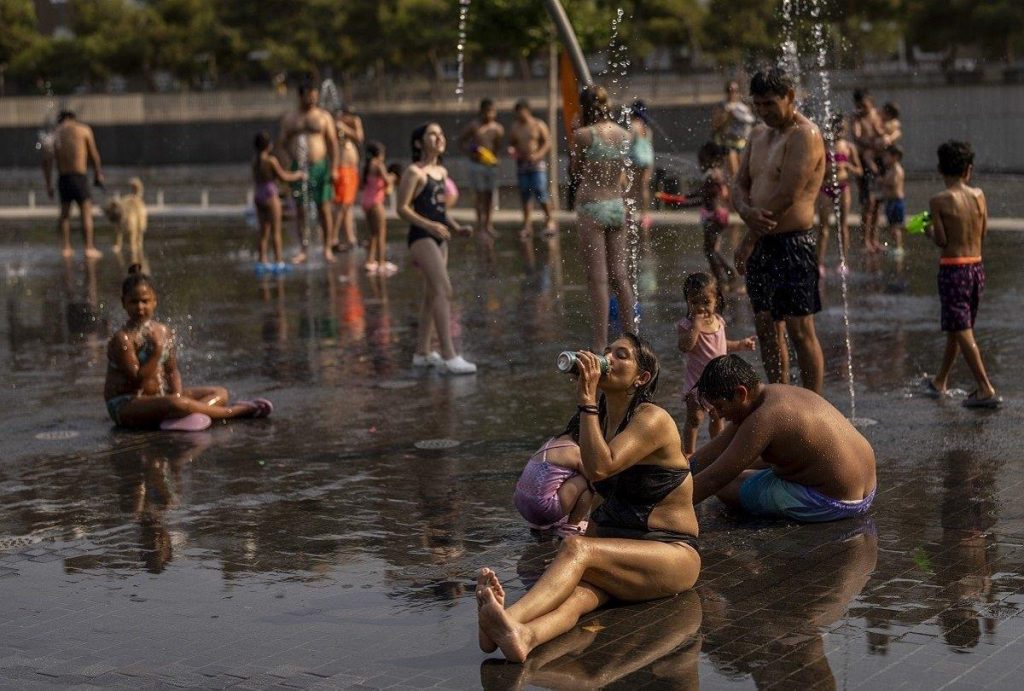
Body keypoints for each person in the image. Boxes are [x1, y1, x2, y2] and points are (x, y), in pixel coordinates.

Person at [476, 334, 701, 662]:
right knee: (578, 597)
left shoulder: (653, 419)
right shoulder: (600, 421)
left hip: (672, 553)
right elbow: (601, 496)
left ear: (642, 378)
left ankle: (506, 617)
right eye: (607, 351)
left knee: (576, 549)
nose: (608, 357)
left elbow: (601, 469)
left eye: (621, 355)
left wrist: (587, 399)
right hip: (621, 550)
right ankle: (522, 636)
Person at [689, 355, 876, 522]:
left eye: (720, 407)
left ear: (741, 393)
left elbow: (715, 479)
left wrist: (666, 507)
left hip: (831, 502)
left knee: (725, 485)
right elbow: (715, 450)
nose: (719, 416)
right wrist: (674, 471)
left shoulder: (764, 418)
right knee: (738, 462)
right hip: (866, 489)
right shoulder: (771, 395)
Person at [732, 68, 826, 393]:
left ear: (790, 97)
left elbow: (788, 193)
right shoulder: (758, 135)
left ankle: (815, 406)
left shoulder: (805, 135)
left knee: (800, 329)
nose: (764, 111)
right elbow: (739, 183)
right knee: (767, 327)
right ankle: (781, 398)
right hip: (762, 243)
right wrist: (745, 211)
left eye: (770, 104)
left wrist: (748, 238)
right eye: (758, 105)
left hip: (793, 243)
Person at [104, 265, 273, 429]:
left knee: (220, 393)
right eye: (134, 302)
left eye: (145, 301)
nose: (140, 307)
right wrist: (156, 351)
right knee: (177, 403)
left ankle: (181, 413)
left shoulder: (163, 331)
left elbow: (171, 371)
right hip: (126, 405)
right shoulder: (123, 339)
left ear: (155, 301)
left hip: (159, 399)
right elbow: (137, 383)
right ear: (123, 303)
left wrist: (175, 394)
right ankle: (234, 412)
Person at [397, 122, 477, 375]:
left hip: (439, 236)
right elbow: (402, 208)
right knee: (444, 290)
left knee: (432, 294)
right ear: (419, 143)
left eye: (441, 133)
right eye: (432, 134)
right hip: (421, 237)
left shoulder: (441, 172)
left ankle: (421, 352)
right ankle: (449, 355)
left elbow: (440, 211)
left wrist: (455, 226)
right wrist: (429, 225)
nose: (439, 137)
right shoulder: (414, 172)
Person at [925, 141, 1000, 408]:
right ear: (968, 170)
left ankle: (984, 387)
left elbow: (942, 240)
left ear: (940, 169)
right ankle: (939, 381)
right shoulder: (979, 195)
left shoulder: (939, 200)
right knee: (958, 329)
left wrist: (928, 231)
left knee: (961, 328)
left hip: (953, 269)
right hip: (976, 267)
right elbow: (983, 233)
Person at [572, 85, 635, 351]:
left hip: (592, 206)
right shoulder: (624, 135)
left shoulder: (583, 135)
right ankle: (632, 338)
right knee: (620, 276)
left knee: (597, 279)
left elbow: (576, 171)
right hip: (616, 206)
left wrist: (575, 129)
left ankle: (599, 343)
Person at [677, 273, 756, 455]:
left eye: (706, 301)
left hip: (718, 382)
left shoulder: (719, 322)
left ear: (716, 300)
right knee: (695, 418)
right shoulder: (686, 325)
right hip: (696, 383)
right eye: (694, 302)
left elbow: (721, 344)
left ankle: (717, 449)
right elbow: (685, 346)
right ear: (687, 301)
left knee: (717, 416)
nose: (700, 308)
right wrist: (695, 327)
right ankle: (689, 453)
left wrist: (740, 345)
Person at [278, 81, 338, 264]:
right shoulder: (290, 118)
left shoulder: (323, 117)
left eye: (315, 95)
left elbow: (332, 144)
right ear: (301, 96)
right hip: (299, 167)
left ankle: (327, 247)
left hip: (320, 166)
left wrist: (334, 168)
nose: (312, 99)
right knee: (301, 209)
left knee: (324, 208)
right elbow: (282, 143)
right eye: (309, 95)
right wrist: (287, 165)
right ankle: (304, 249)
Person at [42, 109, 105, 259]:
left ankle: (66, 248)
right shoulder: (83, 130)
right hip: (79, 176)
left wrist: (48, 185)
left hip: (63, 177)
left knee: (64, 215)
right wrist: (98, 174)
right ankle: (88, 248)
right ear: (73, 118)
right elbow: (94, 155)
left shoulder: (55, 134)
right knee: (86, 213)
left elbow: (47, 162)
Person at [512, 416, 592, 533]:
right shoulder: (574, 451)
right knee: (589, 482)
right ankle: (571, 526)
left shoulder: (553, 442)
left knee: (558, 478)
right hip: (542, 508)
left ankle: (538, 525)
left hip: (521, 503)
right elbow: (596, 477)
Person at [816, 114, 863, 273]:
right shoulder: (823, 145)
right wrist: (825, 170)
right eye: (840, 128)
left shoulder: (849, 147)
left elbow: (860, 171)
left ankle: (843, 262)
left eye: (844, 128)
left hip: (843, 187)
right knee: (823, 228)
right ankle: (819, 263)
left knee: (843, 226)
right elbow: (815, 167)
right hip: (825, 188)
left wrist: (849, 167)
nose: (842, 131)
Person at [252, 131, 305, 271]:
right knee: (276, 231)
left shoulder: (255, 161)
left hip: (258, 195)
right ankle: (278, 261)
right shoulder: (271, 161)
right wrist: (298, 175)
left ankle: (261, 261)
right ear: (268, 146)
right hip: (270, 195)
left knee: (263, 232)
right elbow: (284, 177)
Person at [458, 99, 504, 256]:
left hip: (490, 165)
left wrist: (495, 159)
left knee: (490, 195)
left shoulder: (497, 128)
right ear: (482, 111)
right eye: (487, 111)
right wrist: (470, 152)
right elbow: (461, 141)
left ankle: (488, 224)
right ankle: (479, 225)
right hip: (476, 164)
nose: (489, 115)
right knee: (478, 194)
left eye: (492, 111)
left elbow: (498, 147)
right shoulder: (474, 126)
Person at [507, 99, 557, 240]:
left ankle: (549, 221)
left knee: (540, 191)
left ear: (527, 111)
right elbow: (511, 144)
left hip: (537, 164)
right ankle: (527, 225)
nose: (519, 116)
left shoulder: (538, 124)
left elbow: (548, 142)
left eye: (521, 113)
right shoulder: (515, 127)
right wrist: (512, 151)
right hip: (522, 164)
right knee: (525, 194)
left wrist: (539, 154)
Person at [693, 143, 738, 290]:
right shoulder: (716, 173)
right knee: (711, 250)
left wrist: (685, 200)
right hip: (715, 216)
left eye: (701, 159)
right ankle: (726, 273)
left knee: (709, 250)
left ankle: (721, 279)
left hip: (714, 217)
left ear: (710, 159)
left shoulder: (712, 175)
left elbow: (705, 194)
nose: (699, 163)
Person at [850, 89, 884, 253]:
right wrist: (872, 143)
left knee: (877, 203)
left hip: (879, 160)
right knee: (868, 202)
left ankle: (874, 240)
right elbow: (856, 136)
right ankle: (864, 241)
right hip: (865, 161)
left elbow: (886, 132)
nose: (863, 108)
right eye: (860, 106)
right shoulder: (856, 118)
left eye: (865, 105)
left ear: (870, 101)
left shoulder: (876, 115)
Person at [360, 141, 398, 275]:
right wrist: (393, 177)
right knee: (381, 233)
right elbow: (387, 180)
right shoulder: (378, 164)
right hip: (376, 202)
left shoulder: (367, 166)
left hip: (366, 201)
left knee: (373, 233)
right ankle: (381, 262)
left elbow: (361, 185)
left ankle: (370, 260)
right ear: (380, 154)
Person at [332, 104, 364, 252]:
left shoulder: (347, 129)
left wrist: (352, 125)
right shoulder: (336, 126)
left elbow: (359, 137)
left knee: (349, 205)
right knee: (342, 204)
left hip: (352, 169)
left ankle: (351, 238)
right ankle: (333, 238)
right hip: (342, 169)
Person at [711, 81, 756, 179]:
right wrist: (727, 115)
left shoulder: (744, 106)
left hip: (742, 142)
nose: (733, 93)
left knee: (744, 174)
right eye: (730, 91)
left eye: (735, 90)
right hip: (728, 143)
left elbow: (750, 122)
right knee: (735, 175)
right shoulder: (722, 106)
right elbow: (715, 125)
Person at [627, 100, 655, 229]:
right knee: (644, 186)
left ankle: (629, 215)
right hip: (648, 158)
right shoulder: (647, 128)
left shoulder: (634, 126)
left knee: (632, 187)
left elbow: (628, 142)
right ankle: (645, 216)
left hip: (637, 158)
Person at [880, 144, 905, 255]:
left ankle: (898, 247)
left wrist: (883, 181)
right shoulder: (891, 169)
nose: (885, 159)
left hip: (896, 202)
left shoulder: (897, 169)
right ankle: (895, 246)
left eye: (887, 156)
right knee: (891, 226)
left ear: (895, 157)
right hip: (890, 201)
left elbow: (893, 183)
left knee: (895, 226)